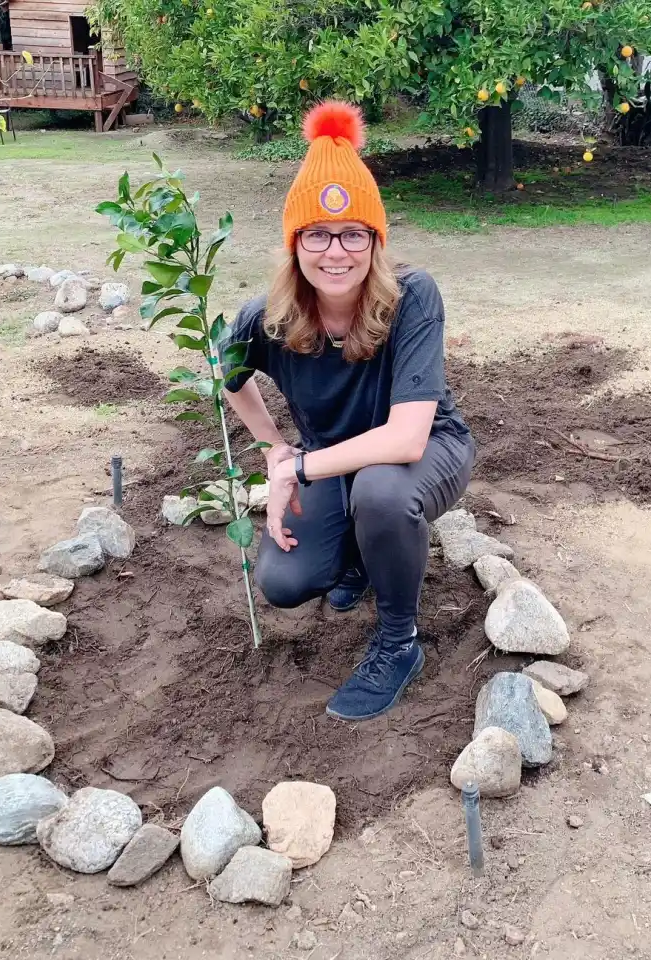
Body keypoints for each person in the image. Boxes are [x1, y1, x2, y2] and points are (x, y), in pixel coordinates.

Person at [223, 101, 475, 722]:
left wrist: (296, 469)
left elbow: (407, 439)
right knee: (285, 584)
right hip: (333, 461)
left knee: (382, 493)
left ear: (375, 241)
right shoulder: (266, 318)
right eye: (317, 234)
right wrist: (273, 447)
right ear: (295, 244)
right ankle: (362, 555)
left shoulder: (413, 297)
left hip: (428, 450)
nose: (335, 252)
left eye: (353, 234)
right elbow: (228, 380)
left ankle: (398, 642)